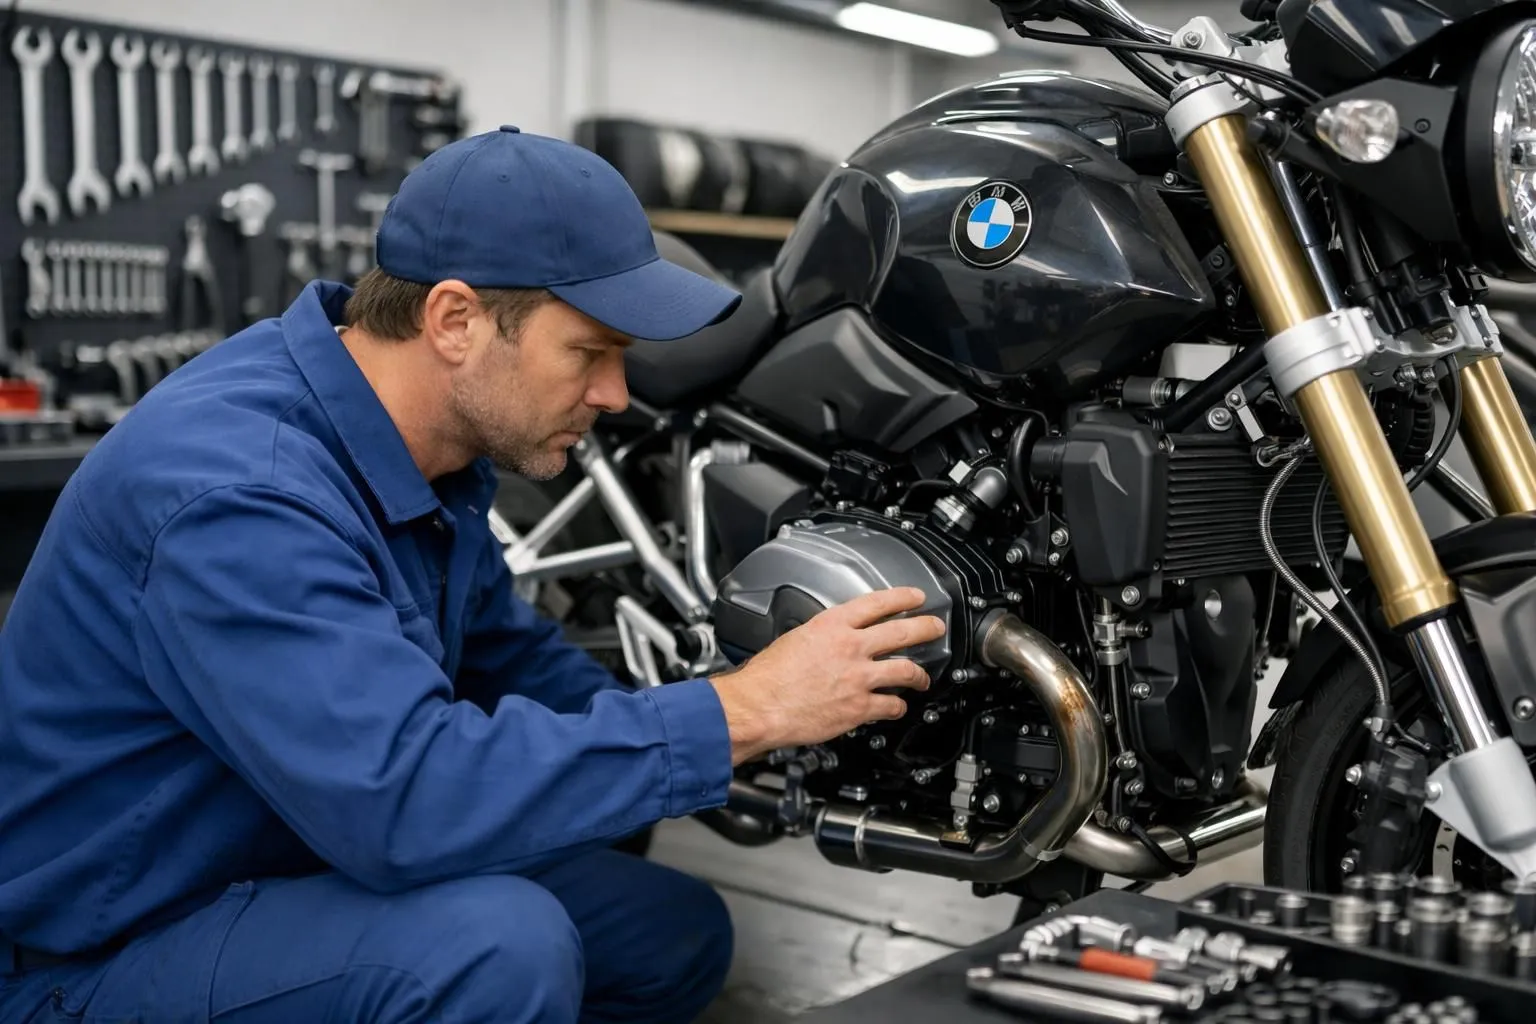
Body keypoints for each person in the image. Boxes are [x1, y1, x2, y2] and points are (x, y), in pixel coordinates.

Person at [0, 126, 943, 1024]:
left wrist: (760, 741)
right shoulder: (241, 494)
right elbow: (401, 801)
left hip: (284, 851)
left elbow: (513, 662)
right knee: (494, 948)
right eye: (590, 352)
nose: (615, 395)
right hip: (102, 949)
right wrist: (742, 712)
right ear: (455, 320)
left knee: (668, 933)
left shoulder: (423, 449)